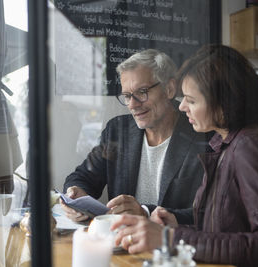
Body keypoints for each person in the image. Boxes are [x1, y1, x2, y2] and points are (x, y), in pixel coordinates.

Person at [111, 45, 258, 266]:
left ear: (223, 104)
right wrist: (177, 225)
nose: (181, 107)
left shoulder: (251, 149)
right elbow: (226, 231)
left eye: (191, 100)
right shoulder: (226, 143)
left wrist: (169, 238)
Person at [62, 49, 211, 224]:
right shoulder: (118, 131)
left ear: (169, 89)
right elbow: (82, 176)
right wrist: (75, 195)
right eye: (126, 96)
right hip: (122, 243)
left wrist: (146, 213)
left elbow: (207, 212)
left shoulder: (204, 136)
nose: (132, 104)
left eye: (142, 92)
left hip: (171, 246)